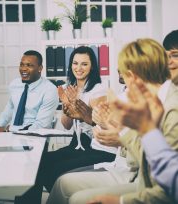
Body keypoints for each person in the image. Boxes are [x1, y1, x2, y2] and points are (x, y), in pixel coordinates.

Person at [61, 38, 178, 204]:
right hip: (131, 172)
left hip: (139, 181)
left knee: (74, 196)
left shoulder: (168, 107)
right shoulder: (152, 101)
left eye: (123, 72)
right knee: (63, 182)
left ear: (133, 75)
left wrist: (122, 134)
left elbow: (162, 180)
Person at [15, 46, 116, 204]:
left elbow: (100, 125)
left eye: (84, 64)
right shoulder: (72, 88)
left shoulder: (98, 91)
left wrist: (80, 109)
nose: (78, 68)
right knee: (37, 162)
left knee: (55, 170)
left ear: (92, 67)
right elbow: (66, 124)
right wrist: (66, 103)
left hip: (94, 147)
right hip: (76, 144)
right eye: (75, 63)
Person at [110, 78, 178, 203]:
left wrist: (144, 131)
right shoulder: (158, 101)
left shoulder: (171, 107)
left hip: (139, 180)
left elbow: (167, 184)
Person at [0, 50, 59, 132]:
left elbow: (41, 125)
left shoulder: (49, 90)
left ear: (40, 68)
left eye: (29, 65)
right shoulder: (14, 84)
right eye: (21, 65)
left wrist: (11, 130)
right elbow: (9, 108)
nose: (23, 69)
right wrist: (0, 125)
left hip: (36, 139)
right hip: (12, 135)